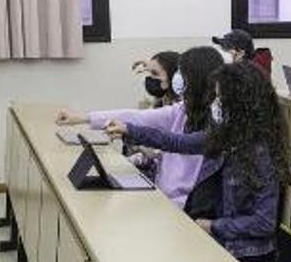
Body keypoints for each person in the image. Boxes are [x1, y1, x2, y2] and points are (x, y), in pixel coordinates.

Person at [105, 62, 291, 262]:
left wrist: (213, 226)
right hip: (219, 240)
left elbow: (263, 222)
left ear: (240, 103)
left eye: (221, 98)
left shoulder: (260, 153)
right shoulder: (228, 135)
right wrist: (129, 130)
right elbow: (177, 142)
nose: (215, 103)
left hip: (244, 255)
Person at [56, 46, 224, 208]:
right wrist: (83, 118)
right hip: (160, 196)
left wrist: (130, 131)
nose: (177, 79)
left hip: (181, 206)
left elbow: (175, 142)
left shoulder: (216, 121)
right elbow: (135, 116)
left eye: (182, 73)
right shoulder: (181, 110)